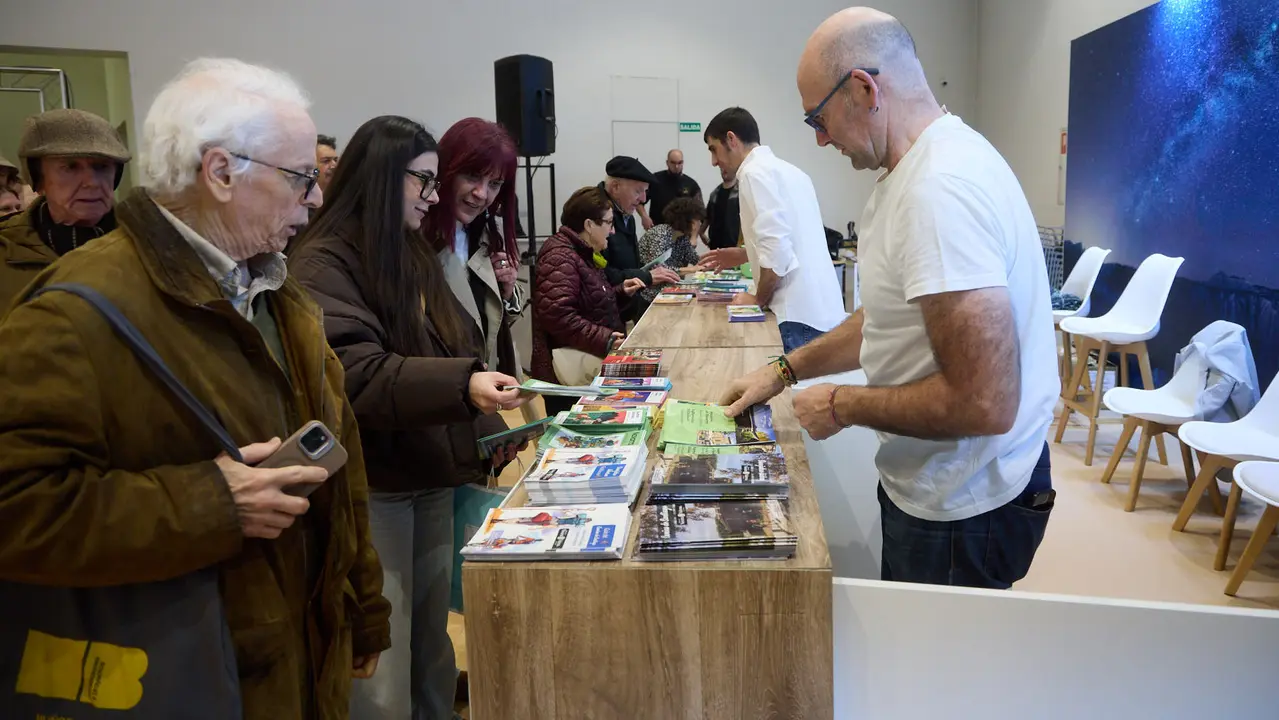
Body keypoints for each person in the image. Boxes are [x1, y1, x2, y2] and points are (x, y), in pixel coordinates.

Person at [0, 58, 389, 717]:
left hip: (294, 663)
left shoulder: (276, 290)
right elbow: (16, 506)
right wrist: (211, 504)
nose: (316, 197)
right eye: (299, 178)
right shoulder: (72, 312)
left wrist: (361, 606)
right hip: (183, 678)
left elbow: (336, 464)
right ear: (220, 172)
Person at [722, 8, 1059, 590]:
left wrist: (839, 405)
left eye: (818, 119)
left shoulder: (939, 189)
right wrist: (784, 370)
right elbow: (887, 318)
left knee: (933, 672)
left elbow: (985, 401)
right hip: (943, 486)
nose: (821, 138)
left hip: (963, 504)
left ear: (862, 88)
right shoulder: (917, 170)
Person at [288, 114, 528, 720]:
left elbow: (451, 350)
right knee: (384, 666)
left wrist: (486, 425)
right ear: (379, 178)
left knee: (429, 646)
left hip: (426, 471)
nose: (433, 196)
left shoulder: (408, 252)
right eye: (423, 182)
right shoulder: (323, 262)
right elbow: (358, 373)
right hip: (376, 484)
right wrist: (467, 387)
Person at [700, 107, 846, 353]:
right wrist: (747, 254)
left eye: (714, 149)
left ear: (731, 140)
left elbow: (778, 253)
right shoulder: (792, 172)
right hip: (823, 311)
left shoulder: (752, 174)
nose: (714, 161)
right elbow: (793, 238)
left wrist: (757, 300)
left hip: (795, 316)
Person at [0, 109, 131, 314]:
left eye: (102, 167)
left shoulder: (147, 242)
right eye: (70, 167)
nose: (92, 183)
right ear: (38, 178)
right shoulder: (6, 248)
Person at [423, 117, 523, 379]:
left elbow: (485, 325)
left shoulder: (486, 234)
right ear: (446, 170)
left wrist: (507, 292)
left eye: (494, 184)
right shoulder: (415, 239)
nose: (481, 193)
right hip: (441, 393)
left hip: (480, 392)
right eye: (472, 176)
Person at [531, 186, 645, 414]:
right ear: (589, 225)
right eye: (609, 223)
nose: (612, 231)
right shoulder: (559, 256)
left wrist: (620, 292)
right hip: (567, 382)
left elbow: (589, 302)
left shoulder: (580, 252)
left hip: (582, 369)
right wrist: (604, 339)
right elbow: (558, 316)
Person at [599, 156, 680, 320]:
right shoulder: (597, 216)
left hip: (623, 309)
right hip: (603, 315)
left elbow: (629, 262)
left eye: (646, 191)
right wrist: (647, 276)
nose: (643, 199)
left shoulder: (626, 214)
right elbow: (601, 275)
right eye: (638, 191)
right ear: (615, 187)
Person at [637, 196, 705, 305]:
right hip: (649, 295)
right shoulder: (660, 234)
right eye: (697, 220)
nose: (700, 224)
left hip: (669, 292)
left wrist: (710, 262)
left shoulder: (682, 237)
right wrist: (692, 269)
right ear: (688, 221)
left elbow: (696, 259)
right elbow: (660, 270)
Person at [647, 148, 702, 226]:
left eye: (679, 163)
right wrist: (644, 217)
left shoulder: (691, 185)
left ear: (683, 163)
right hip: (657, 230)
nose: (676, 166)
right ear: (667, 163)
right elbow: (639, 202)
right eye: (673, 163)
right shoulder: (655, 179)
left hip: (682, 232)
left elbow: (700, 211)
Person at [704, 164, 741, 250]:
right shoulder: (715, 194)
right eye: (722, 167)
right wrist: (702, 235)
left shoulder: (742, 192)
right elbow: (707, 218)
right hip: (715, 248)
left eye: (727, 167)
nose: (724, 170)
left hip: (734, 248)